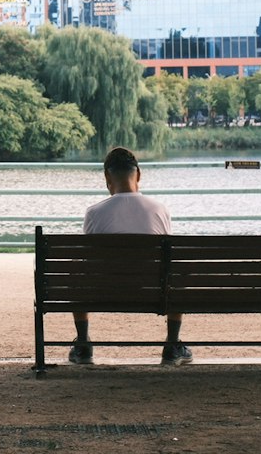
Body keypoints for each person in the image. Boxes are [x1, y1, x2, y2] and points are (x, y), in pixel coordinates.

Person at [70, 146, 191, 367]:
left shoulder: (94, 212)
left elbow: (86, 262)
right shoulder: (159, 209)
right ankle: (172, 345)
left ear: (107, 177)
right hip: (154, 291)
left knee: (76, 269)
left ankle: (83, 345)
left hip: (103, 291)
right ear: (139, 175)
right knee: (175, 270)